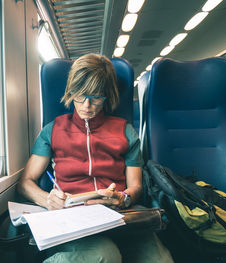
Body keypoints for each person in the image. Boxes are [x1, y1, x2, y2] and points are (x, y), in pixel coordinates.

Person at [17, 54, 174, 263]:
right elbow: (25, 183)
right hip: (72, 218)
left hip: (119, 216)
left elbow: (136, 186)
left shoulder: (125, 131)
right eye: (79, 96)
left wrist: (123, 197)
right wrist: (46, 199)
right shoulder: (53, 130)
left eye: (96, 97)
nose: (87, 106)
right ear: (70, 92)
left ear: (107, 95)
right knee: (105, 255)